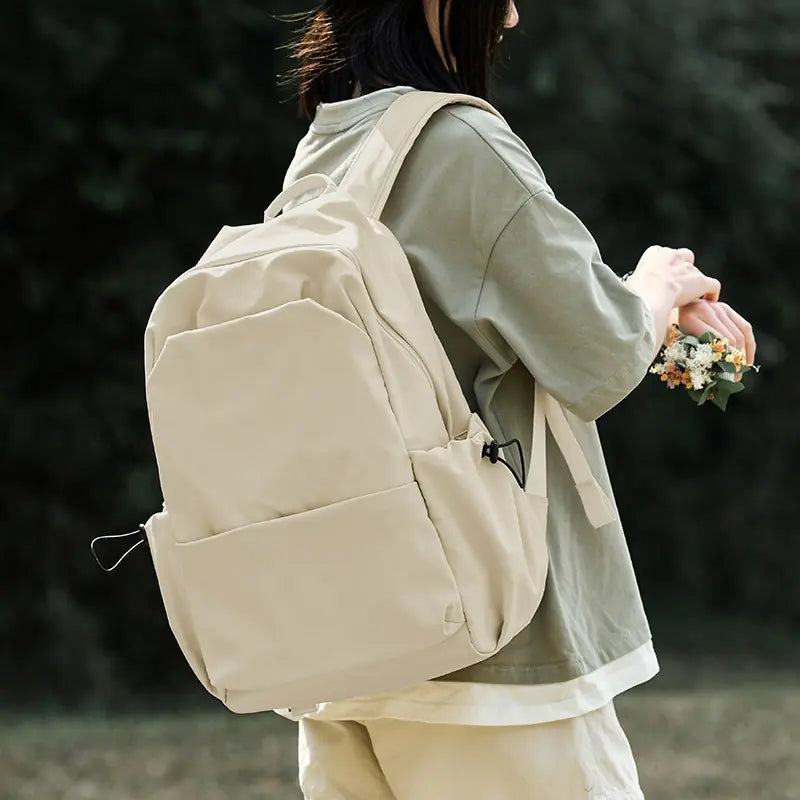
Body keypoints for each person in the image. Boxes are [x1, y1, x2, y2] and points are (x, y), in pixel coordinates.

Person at [275, 2, 757, 798]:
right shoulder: (460, 143)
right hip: (491, 663)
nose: (511, 13)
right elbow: (599, 352)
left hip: (346, 650)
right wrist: (661, 283)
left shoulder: (327, 149)